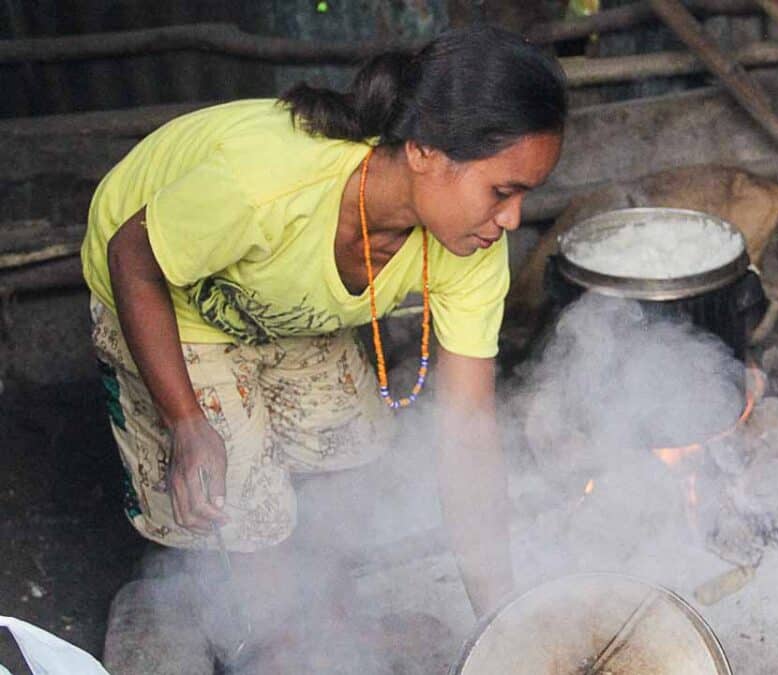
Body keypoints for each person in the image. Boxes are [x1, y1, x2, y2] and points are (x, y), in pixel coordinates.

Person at [80, 24, 566, 621]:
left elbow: (468, 427)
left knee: (352, 449)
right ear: (423, 151)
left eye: (525, 197)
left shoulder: (471, 244)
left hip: (277, 299)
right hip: (166, 290)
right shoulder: (268, 184)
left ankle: (323, 613)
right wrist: (185, 422)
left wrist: (501, 617)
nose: (513, 219)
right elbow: (133, 259)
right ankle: (275, 638)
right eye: (502, 191)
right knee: (243, 508)